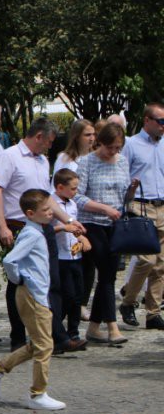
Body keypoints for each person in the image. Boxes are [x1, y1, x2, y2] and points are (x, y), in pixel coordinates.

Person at [0, 118, 80, 351]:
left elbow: (47, 196)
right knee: (18, 282)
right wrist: (2, 226)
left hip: (45, 225)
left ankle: (54, 337)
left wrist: (68, 219)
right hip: (19, 225)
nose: (50, 146)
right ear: (38, 136)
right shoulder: (9, 156)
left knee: (52, 280)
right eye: (49, 142)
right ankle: (18, 337)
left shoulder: (42, 160)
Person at [0, 189, 66, 411]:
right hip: (31, 294)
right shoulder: (32, 234)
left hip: (38, 293)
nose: (51, 213)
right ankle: (37, 394)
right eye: (46, 210)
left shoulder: (37, 232)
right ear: (30, 213)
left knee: (38, 343)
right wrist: (21, 280)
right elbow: (10, 260)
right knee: (45, 345)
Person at [74, 122, 136, 345]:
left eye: (118, 148)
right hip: (93, 223)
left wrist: (132, 191)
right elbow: (78, 197)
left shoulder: (122, 162)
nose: (113, 152)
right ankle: (112, 326)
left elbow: (124, 198)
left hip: (115, 225)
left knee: (107, 276)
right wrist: (103, 208)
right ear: (101, 142)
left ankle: (93, 327)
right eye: (110, 147)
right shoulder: (87, 162)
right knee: (107, 273)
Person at [118, 103, 164, 331]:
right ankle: (128, 301)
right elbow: (122, 174)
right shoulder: (131, 144)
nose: (163, 127)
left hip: (162, 205)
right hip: (140, 205)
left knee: (161, 264)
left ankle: (153, 313)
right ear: (147, 120)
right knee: (146, 259)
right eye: (160, 121)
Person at [52, 168, 91, 351]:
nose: (76, 192)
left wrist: (81, 238)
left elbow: (75, 227)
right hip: (60, 256)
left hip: (75, 255)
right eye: (73, 188)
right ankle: (56, 334)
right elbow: (47, 230)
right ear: (60, 187)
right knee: (64, 296)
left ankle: (73, 332)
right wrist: (62, 228)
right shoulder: (52, 204)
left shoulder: (73, 204)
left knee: (78, 295)